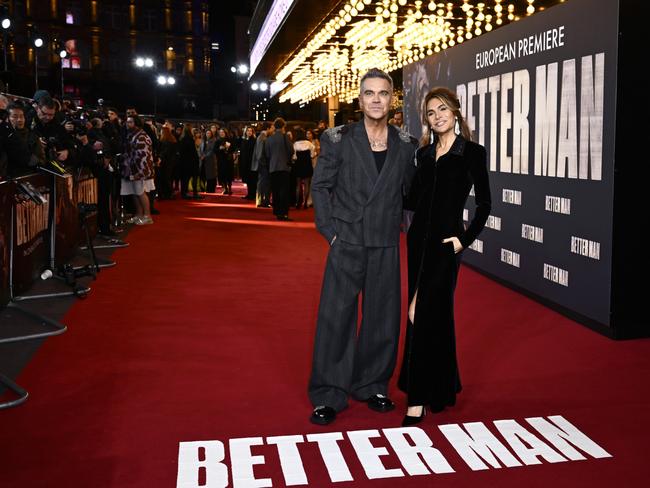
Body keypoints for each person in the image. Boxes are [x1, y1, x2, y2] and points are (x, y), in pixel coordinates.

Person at [308, 68, 418, 425]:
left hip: (385, 240)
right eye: (369, 93)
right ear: (359, 99)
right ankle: (328, 392)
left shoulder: (405, 144)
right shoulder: (338, 138)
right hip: (348, 239)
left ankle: (372, 384)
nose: (375, 99)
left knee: (382, 318)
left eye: (383, 93)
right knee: (335, 317)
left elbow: (412, 193)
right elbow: (320, 186)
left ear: (391, 99)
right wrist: (330, 231)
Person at [398, 87, 491, 426]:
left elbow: (484, 204)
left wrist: (464, 240)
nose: (437, 116)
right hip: (417, 241)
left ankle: (417, 398)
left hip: (445, 245)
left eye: (442, 109)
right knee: (434, 317)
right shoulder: (423, 154)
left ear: (455, 111)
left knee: (419, 312)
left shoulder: (472, 153)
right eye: (431, 113)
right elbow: (413, 200)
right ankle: (441, 389)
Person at [120, 115, 155, 225]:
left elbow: (144, 157)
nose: (127, 124)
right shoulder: (131, 135)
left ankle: (147, 216)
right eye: (127, 122)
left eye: (130, 122)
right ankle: (139, 214)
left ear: (136, 123)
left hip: (139, 170)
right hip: (131, 169)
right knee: (134, 192)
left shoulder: (141, 136)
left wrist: (139, 173)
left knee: (140, 192)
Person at [292, 129, 315, 209]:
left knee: (298, 185)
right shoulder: (309, 144)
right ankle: (305, 203)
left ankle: (298, 203)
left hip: (298, 165)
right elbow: (313, 155)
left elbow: (294, 157)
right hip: (307, 165)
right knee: (307, 184)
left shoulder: (295, 144)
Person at [252, 122, 273, 207]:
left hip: (263, 164)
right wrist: (265, 164)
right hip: (263, 165)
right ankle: (262, 201)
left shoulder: (264, 137)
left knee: (263, 182)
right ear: (267, 128)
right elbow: (260, 154)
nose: (273, 130)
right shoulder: (262, 137)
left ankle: (263, 201)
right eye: (272, 128)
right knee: (263, 183)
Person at [200, 129, 218, 193]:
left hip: (210, 160)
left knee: (211, 176)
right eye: (207, 133)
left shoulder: (213, 141)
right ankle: (202, 188)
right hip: (203, 160)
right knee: (203, 174)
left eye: (209, 133)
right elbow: (201, 149)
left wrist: (204, 156)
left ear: (211, 134)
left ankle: (210, 189)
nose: (208, 134)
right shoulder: (203, 141)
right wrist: (201, 156)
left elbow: (212, 150)